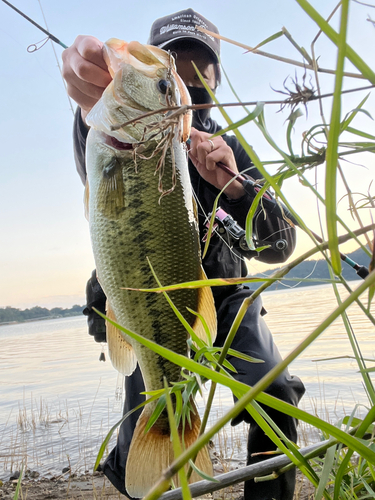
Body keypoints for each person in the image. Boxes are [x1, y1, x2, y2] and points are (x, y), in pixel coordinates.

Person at [62, 8, 305, 500]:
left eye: (203, 73)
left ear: (217, 80)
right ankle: (145, 475)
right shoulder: (114, 129)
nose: (191, 84)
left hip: (229, 302)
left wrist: (236, 185)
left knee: (276, 394)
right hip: (143, 301)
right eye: (178, 69)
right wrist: (88, 90)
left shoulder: (231, 147)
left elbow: (280, 244)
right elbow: (96, 130)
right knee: (145, 427)